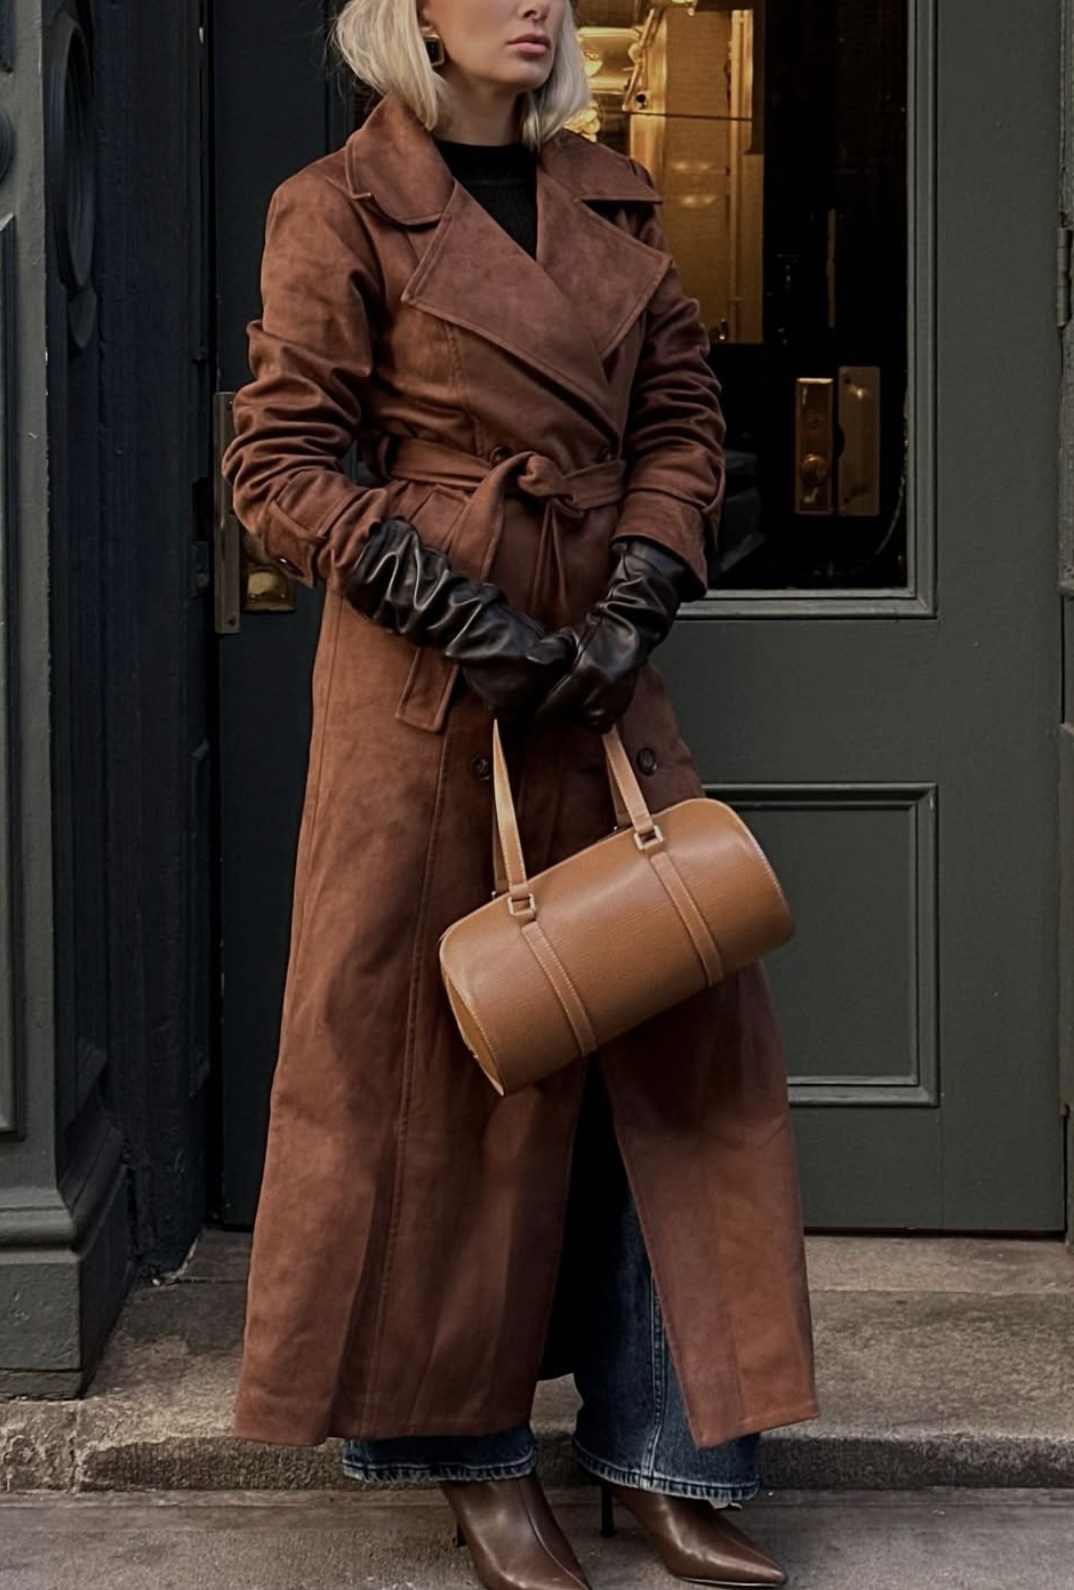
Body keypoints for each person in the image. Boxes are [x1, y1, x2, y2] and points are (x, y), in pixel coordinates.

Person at [220, 3, 819, 1586]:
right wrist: (462, 612)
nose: (531, 1)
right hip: (431, 696)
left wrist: (636, 595)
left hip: (599, 673)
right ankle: (467, 1456)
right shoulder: (334, 206)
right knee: (436, 1074)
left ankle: (672, 1455)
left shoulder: (611, 196)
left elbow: (681, 419)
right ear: (407, 14)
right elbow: (279, 461)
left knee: (674, 1046)